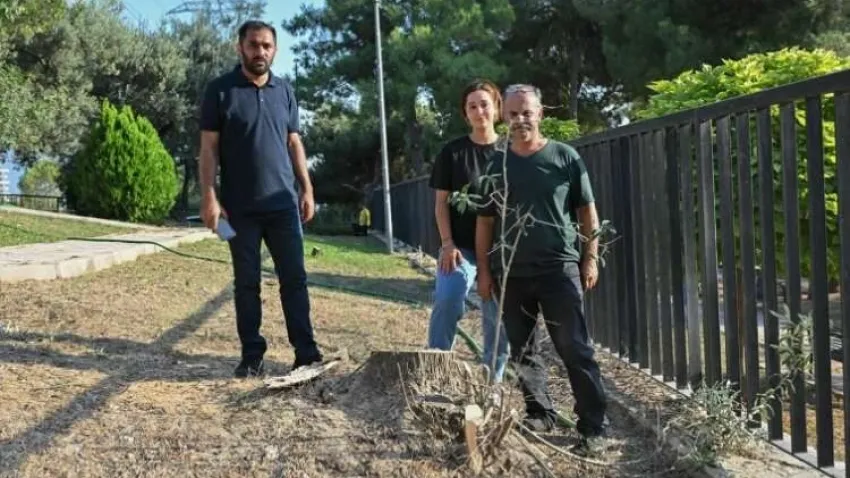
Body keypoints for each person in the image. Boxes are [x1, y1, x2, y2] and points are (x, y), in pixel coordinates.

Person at [475, 84, 607, 455]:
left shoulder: (565, 158)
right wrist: (485, 271)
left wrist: (590, 257)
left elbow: (587, 212)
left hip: (558, 270)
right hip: (512, 273)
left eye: (527, 112)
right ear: (505, 116)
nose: (520, 120)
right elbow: (485, 222)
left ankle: (593, 425)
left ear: (540, 113)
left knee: (574, 347)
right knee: (522, 349)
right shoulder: (496, 164)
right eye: (513, 114)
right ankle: (540, 412)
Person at [198, 20, 323, 378]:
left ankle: (306, 352)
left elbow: (294, 142)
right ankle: (252, 355)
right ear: (240, 47)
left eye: (267, 46)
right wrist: (209, 197)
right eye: (253, 45)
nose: (260, 52)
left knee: (294, 279)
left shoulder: (285, 91)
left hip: (283, 205)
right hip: (239, 211)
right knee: (247, 282)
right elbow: (208, 149)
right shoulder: (220, 90)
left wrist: (307, 188)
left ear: (275, 50)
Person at [427, 79, 510, 383]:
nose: (479, 111)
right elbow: (440, 204)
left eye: (484, 104)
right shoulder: (453, 152)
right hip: (461, 248)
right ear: (465, 114)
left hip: (500, 250)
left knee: (497, 317)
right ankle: (434, 369)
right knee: (448, 299)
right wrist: (447, 244)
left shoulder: (511, 152)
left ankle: (492, 383)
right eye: (472, 106)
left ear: (497, 108)